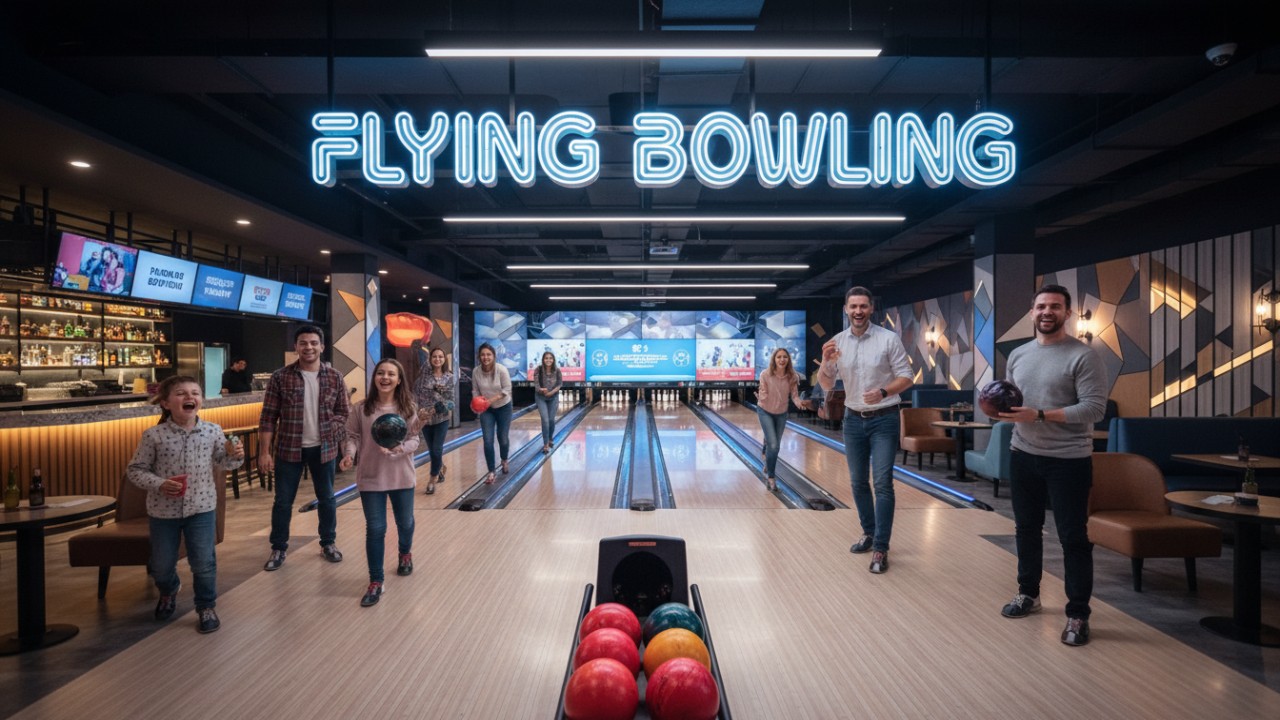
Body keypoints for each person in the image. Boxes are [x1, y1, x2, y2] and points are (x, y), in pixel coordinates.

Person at [997, 284, 1107, 646]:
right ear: (1032, 312)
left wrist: (1041, 414)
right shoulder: (1018, 355)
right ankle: (1028, 593)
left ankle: (1077, 613)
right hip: (1022, 453)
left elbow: (1094, 409)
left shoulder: (1084, 356)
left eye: (1055, 307)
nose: (1047, 312)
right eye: (1041, 306)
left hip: (1068, 460)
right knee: (1026, 529)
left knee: (1073, 537)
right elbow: (1012, 400)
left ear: (1067, 313)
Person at [127, 375, 244, 634]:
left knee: (204, 562)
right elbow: (135, 470)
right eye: (181, 393)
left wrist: (235, 455)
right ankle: (169, 589)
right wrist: (160, 484)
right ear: (166, 403)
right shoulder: (154, 435)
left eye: (195, 393)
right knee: (161, 566)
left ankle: (206, 606)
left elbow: (224, 463)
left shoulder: (212, 431)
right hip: (163, 512)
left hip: (202, 508)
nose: (190, 397)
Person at [818, 286, 913, 575]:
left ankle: (881, 547)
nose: (858, 311)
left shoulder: (888, 339)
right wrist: (825, 361)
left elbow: (906, 377)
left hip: (884, 418)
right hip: (852, 420)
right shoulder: (837, 342)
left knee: (882, 483)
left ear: (871, 308)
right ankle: (869, 533)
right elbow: (826, 384)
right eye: (853, 306)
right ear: (846, 310)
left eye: (863, 306)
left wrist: (884, 392)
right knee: (858, 482)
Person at [258, 325, 352, 571]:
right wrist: (264, 452)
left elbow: (344, 411)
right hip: (289, 448)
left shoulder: (335, 376)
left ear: (322, 346)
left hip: (324, 448)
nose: (308, 347)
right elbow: (268, 417)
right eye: (303, 343)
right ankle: (279, 548)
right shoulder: (280, 376)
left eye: (313, 343)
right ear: (296, 347)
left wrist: (334, 432)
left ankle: (328, 543)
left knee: (327, 498)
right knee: (283, 501)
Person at [340, 359, 423, 607]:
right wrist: (349, 454)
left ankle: (405, 553)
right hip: (371, 476)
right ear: (374, 377)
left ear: (399, 380)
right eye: (380, 373)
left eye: (391, 374)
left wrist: (400, 449)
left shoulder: (407, 408)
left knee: (405, 522)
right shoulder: (361, 408)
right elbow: (352, 436)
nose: (385, 377)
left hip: (401, 475)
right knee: (376, 529)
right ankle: (376, 581)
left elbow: (414, 438)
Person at [756, 348, 808, 491]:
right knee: (774, 445)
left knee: (775, 444)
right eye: (779, 357)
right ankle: (771, 477)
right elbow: (763, 393)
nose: (782, 359)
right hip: (765, 411)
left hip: (781, 413)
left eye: (785, 357)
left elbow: (794, 395)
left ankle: (767, 450)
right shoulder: (765, 374)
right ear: (774, 359)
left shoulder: (792, 376)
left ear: (788, 360)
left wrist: (799, 402)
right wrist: (761, 396)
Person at [413, 347, 455, 494]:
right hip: (425, 419)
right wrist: (418, 411)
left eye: (440, 357)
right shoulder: (423, 377)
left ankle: (432, 479)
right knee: (432, 451)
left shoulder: (449, 377)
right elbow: (415, 396)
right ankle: (440, 467)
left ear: (444, 359)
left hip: (441, 419)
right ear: (430, 359)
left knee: (437, 449)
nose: (437, 359)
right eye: (434, 357)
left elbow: (451, 402)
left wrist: (437, 406)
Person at [473, 342, 512, 484]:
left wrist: (491, 400)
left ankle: (504, 459)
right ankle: (491, 471)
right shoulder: (476, 371)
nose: (486, 357)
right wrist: (476, 403)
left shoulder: (501, 370)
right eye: (483, 355)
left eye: (488, 354)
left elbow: (507, 389)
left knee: (503, 438)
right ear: (479, 357)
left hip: (503, 407)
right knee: (488, 440)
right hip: (487, 410)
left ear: (494, 356)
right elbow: (475, 390)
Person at [533, 350, 563, 453]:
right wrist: (541, 390)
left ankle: (550, 438)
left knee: (551, 420)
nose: (548, 360)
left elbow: (559, 384)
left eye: (550, 358)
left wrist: (551, 392)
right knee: (545, 420)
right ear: (543, 360)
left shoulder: (557, 370)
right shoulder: (538, 370)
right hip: (541, 397)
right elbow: (536, 385)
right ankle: (545, 443)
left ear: (553, 360)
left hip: (553, 397)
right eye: (546, 358)